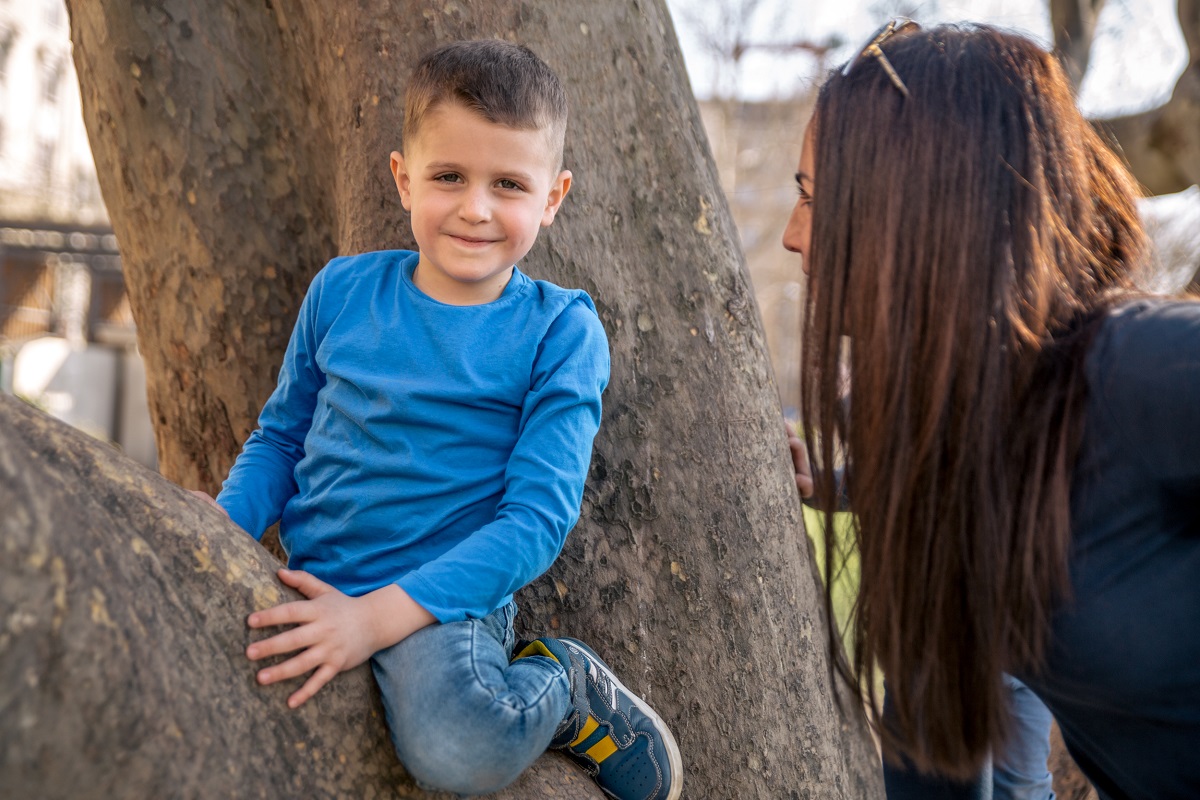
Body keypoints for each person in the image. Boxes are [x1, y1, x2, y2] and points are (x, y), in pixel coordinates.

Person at [199, 39, 682, 800]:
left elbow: (534, 522)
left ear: (552, 199)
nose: (476, 208)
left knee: (459, 748)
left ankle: (567, 686)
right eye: (449, 176)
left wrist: (373, 621)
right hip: (306, 577)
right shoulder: (342, 292)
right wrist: (221, 531)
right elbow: (281, 440)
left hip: (438, 606)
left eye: (509, 184)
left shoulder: (561, 331)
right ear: (403, 178)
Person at [782, 20, 1200, 800]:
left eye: (814, 197)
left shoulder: (1143, 370)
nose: (791, 236)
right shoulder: (947, 450)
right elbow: (930, 763)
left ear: (917, 206)